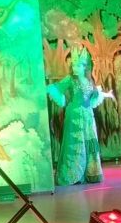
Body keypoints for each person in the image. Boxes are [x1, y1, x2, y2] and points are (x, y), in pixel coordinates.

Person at [47, 47, 113, 186]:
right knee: (75, 143)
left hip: (88, 116)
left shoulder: (89, 81)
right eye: (74, 65)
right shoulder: (70, 79)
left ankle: (90, 172)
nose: (75, 68)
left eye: (78, 65)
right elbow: (55, 88)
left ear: (85, 67)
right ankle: (73, 174)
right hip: (74, 115)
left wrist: (105, 94)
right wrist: (60, 98)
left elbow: (93, 98)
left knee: (89, 141)